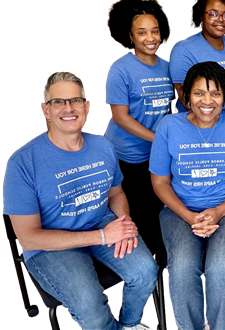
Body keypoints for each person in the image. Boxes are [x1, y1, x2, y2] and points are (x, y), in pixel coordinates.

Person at [3, 71, 157, 330]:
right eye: (58, 102)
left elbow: (116, 194)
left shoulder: (102, 146)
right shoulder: (22, 163)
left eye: (75, 100)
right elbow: (29, 238)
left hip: (101, 223)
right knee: (92, 311)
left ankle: (129, 325)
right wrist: (103, 237)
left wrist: (124, 221)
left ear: (86, 107)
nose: (68, 108)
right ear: (45, 110)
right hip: (50, 246)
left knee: (145, 272)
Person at [150, 61, 225, 330]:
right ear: (186, 95)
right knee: (183, 265)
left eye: (215, 93)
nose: (207, 101)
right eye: (198, 93)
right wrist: (189, 216)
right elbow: (160, 182)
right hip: (180, 209)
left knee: (220, 265)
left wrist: (218, 211)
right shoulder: (168, 127)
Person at [105, 0, 173, 248]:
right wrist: (159, 139)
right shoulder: (120, 69)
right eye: (142, 32)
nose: (150, 38)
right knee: (139, 215)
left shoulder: (168, 67)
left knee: (160, 210)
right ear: (130, 36)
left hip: (158, 153)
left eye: (155, 31)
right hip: (128, 155)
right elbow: (120, 117)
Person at [169, 0, 225, 117]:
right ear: (201, 16)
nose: (221, 20)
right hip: (203, 125)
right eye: (213, 14)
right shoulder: (183, 50)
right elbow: (186, 101)